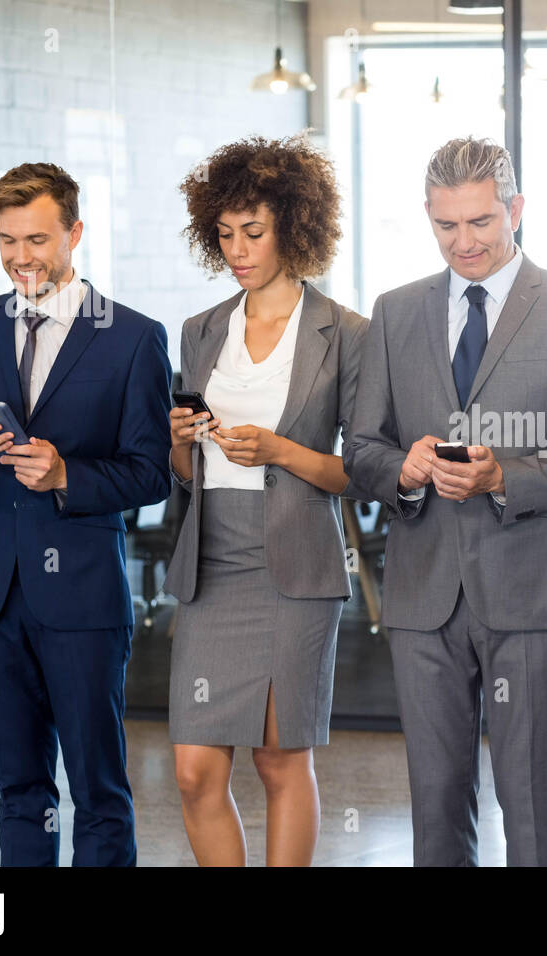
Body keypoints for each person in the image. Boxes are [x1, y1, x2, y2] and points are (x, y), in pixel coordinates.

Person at [344, 137, 547, 866]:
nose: (463, 242)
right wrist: (402, 470)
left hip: (532, 588)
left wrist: (507, 478)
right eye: (446, 226)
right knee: (435, 807)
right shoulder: (395, 312)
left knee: (532, 805)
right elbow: (361, 450)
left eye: (481, 222)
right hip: (423, 589)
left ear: (516, 210)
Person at [0, 163, 172, 866]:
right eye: (7, 241)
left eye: (36, 239)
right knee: (20, 788)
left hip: (83, 595)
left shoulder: (131, 337)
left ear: (75, 233)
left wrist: (68, 475)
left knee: (97, 789)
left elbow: (152, 473)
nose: (20, 258)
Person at [163, 134, 367, 867]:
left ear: (294, 226)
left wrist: (280, 450)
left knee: (280, 762)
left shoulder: (346, 334)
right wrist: (181, 440)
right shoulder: (200, 331)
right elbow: (181, 473)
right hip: (212, 560)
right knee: (193, 770)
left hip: (295, 564)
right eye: (224, 234)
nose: (238, 250)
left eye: (254, 231)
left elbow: (363, 473)